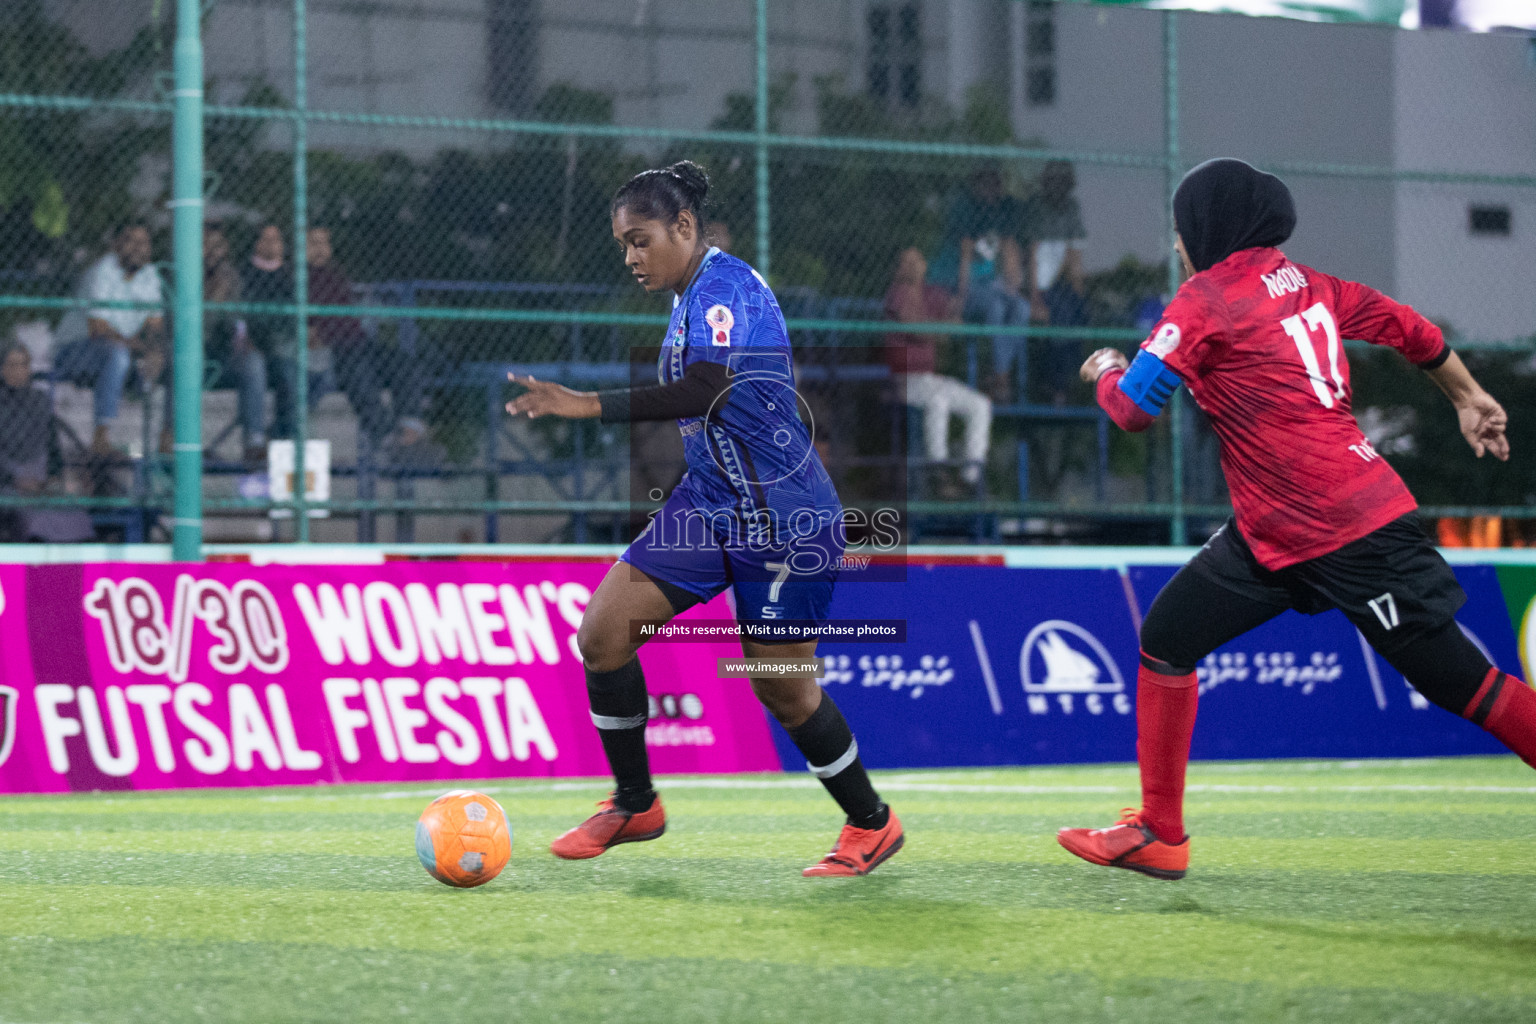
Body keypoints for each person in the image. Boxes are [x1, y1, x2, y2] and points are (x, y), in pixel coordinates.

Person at [1058, 158, 1533, 881]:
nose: (1179, 243)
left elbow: (1132, 410)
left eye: (1181, 228)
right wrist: (1466, 395)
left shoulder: (1205, 299)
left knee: (1462, 683)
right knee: (1168, 637)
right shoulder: (1312, 284)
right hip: (1276, 527)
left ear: (1206, 230)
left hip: (1347, 528)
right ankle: (1160, 832)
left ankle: (1159, 829)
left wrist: (1104, 369)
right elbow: (1410, 329)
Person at [507, 160, 903, 877]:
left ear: (684, 227)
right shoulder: (690, 293)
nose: (631, 257)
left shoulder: (726, 288)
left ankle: (871, 823)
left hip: (784, 522)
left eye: (641, 239)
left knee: (782, 688)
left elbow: (706, 388)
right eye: (623, 244)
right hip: (711, 505)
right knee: (602, 637)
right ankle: (635, 803)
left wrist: (586, 403)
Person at [306, 226, 432, 456]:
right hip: (333, 348)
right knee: (360, 375)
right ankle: (385, 437)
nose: (320, 250)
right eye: (313, 243)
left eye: (324, 243)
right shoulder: (297, 278)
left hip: (358, 341)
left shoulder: (336, 275)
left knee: (404, 364)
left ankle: (409, 433)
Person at [884, 247, 992, 495]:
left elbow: (956, 315)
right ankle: (937, 472)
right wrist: (942, 328)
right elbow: (917, 329)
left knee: (980, 405)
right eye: (906, 262)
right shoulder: (897, 293)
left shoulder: (931, 293)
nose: (913, 266)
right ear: (898, 268)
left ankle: (970, 478)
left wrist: (951, 314)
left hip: (930, 378)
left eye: (917, 260)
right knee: (938, 400)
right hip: (903, 379)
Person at [53, 223, 166, 454]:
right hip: (74, 351)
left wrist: (153, 350)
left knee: (173, 358)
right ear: (116, 246)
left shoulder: (150, 275)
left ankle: (168, 438)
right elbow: (98, 329)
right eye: (130, 241)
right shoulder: (102, 271)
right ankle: (101, 436)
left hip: (122, 350)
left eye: (143, 242)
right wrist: (141, 347)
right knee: (117, 354)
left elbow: (155, 325)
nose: (138, 248)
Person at [927, 167, 1030, 402]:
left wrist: (1014, 285)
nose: (993, 190)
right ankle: (1001, 377)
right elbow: (965, 255)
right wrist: (961, 298)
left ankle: (997, 371)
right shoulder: (965, 209)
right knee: (996, 307)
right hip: (955, 281)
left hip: (987, 284)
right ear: (976, 186)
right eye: (987, 184)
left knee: (1021, 308)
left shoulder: (1002, 210)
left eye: (996, 184)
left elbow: (1008, 249)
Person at [0, 343, 91, 542]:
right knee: (35, 517)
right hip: (7, 482)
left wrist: (54, 477)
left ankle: (73, 566)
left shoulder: (39, 401)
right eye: (12, 365)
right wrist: (15, 479)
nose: (19, 371)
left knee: (73, 513)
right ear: (2, 369)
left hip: (39, 478)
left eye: (24, 365)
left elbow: (53, 447)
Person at [1027, 161, 1089, 405]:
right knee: (1059, 319)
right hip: (1038, 285)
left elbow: (1074, 255)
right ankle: (1055, 386)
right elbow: (1031, 253)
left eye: (1063, 182)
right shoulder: (1037, 209)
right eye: (1054, 181)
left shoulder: (1071, 209)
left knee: (1079, 314)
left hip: (1057, 284)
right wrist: (1033, 295)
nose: (1059, 188)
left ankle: (1068, 382)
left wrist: (1079, 290)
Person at [241, 224, 299, 442]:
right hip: (253, 345)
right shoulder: (245, 273)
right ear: (256, 244)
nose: (272, 245)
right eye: (266, 239)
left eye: (276, 239)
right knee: (254, 366)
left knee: (291, 373)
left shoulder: (291, 274)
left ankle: (283, 438)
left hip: (282, 346)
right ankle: (255, 440)